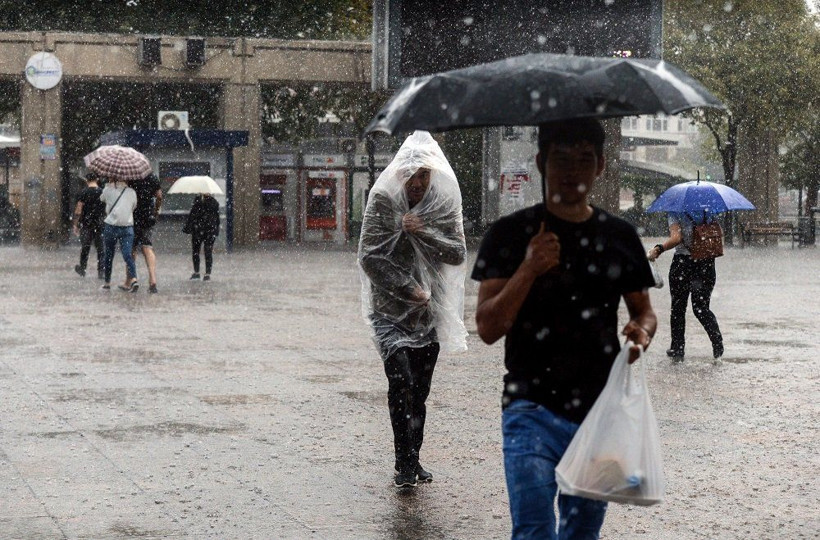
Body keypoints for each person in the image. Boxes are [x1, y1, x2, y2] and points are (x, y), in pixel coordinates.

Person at [472, 118, 657, 539]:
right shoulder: (508, 234)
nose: (572, 171)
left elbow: (644, 312)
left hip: (598, 410)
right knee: (534, 529)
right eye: (561, 159)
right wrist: (530, 267)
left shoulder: (619, 236)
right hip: (529, 407)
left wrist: (641, 332)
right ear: (540, 162)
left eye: (584, 160)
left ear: (601, 166)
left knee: (581, 533)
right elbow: (487, 327)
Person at [358, 131, 467, 489]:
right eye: (412, 174)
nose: (418, 183)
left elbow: (456, 252)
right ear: (400, 173)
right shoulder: (383, 202)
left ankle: (414, 458)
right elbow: (370, 257)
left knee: (419, 390)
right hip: (390, 311)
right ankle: (403, 463)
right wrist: (409, 288)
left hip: (428, 314)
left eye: (425, 175)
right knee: (400, 380)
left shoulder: (441, 204)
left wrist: (423, 232)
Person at [647, 212, 723, 361]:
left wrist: (658, 249)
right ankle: (717, 342)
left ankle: (677, 348)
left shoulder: (676, 211)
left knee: (678, 308)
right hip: (706, 264)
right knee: (701, 308)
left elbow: (677, 238)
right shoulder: (709, 209)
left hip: (683, 264)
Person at [123, 173, 163, 294]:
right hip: (147, 217)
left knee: (131, 248)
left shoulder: (130, 177)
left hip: (132, 216)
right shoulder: (152, 177)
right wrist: (155, 211)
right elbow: (159, 196)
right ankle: (152, 279)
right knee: (147, 246)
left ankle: (129, 280)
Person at [100, 176, 138, 292]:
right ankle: (134, 279)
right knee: (127, 254)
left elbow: (102, 199)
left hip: (111, 226)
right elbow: (133, 207)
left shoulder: (108, 190)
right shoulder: (132, 192)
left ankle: (107, 282)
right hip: (127, 228)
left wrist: (108, 185)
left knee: (109, 255)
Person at [72, 173, 105, 279]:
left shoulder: (83, 192)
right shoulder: (102, 192)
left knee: (85, 248)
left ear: (87, 180)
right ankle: (101, 271)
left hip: (87, 224)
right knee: (101, 249)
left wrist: (75, 224)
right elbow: (107, 209)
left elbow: (78, 210)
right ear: (97, 179)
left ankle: (82, 269)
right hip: (100, 224)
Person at [184, 194, 220, 280]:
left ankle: (206, 273)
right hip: (202, 230)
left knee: (206, 251)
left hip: (205, 229)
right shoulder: (203, 201)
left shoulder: (210, 202)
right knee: (198, 251)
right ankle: (198, 272)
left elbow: (193, 215)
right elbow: (193, 215)